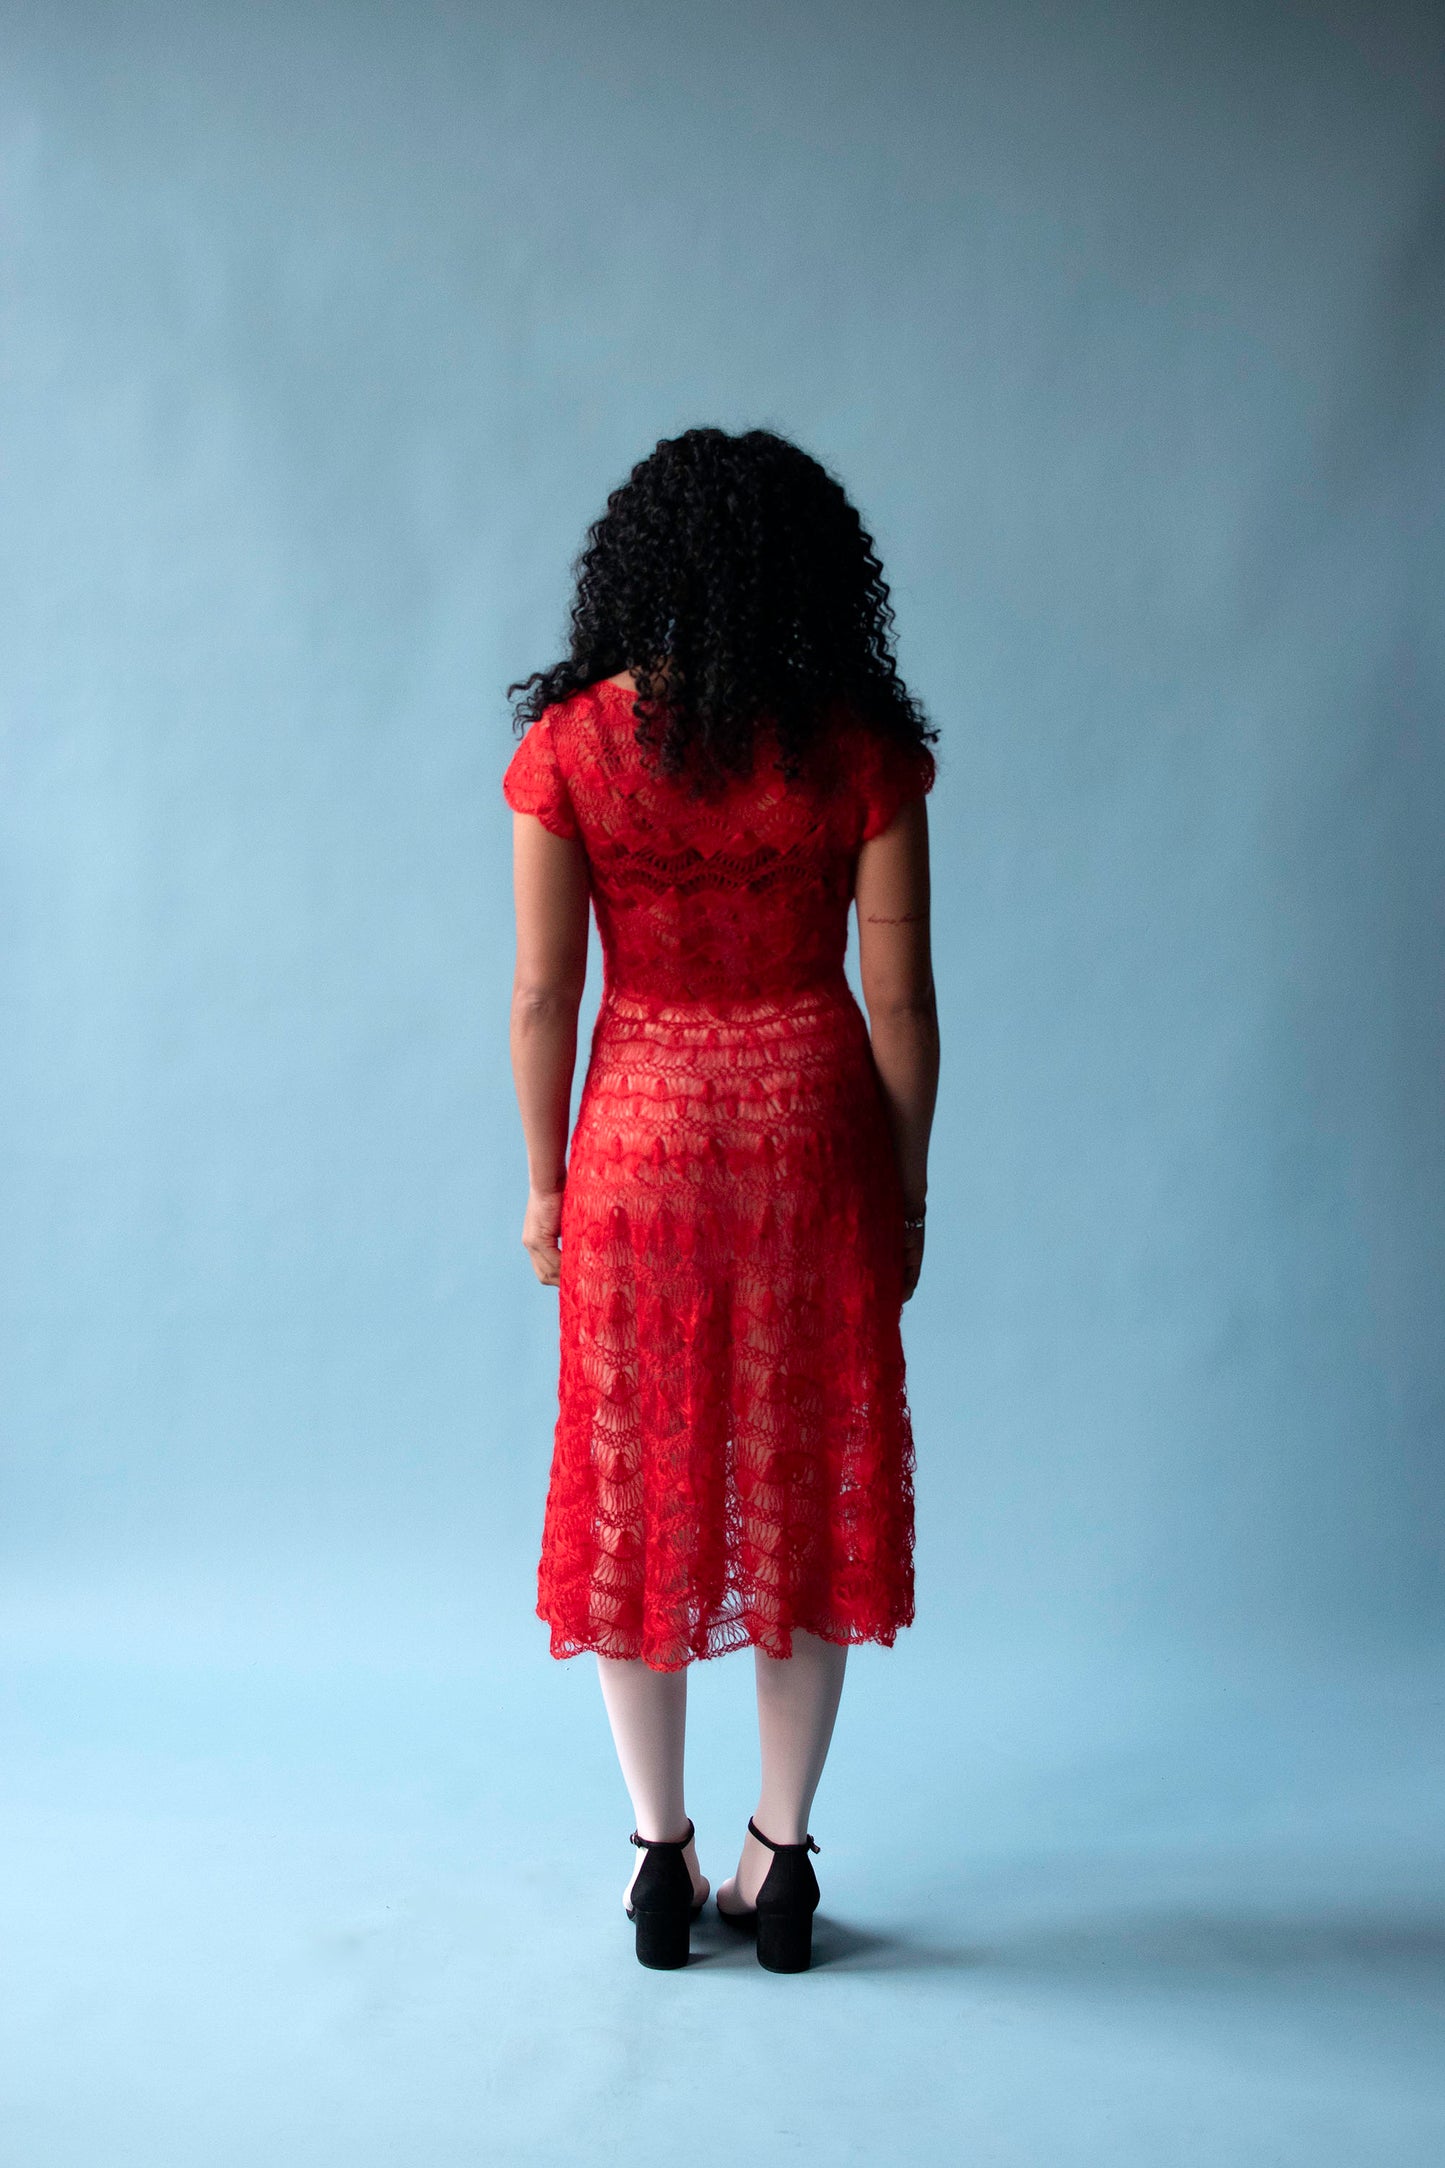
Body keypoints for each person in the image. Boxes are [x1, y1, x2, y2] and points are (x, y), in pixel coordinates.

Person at [503, 425, 939, 1972]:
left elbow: (546, 996)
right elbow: (901, 1000)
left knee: (639, 1490)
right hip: (811, 1136)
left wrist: (548, 1187)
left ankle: (654, 1854)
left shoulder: (571, 748)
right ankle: (781, 1852)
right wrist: (905, 1190)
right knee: (805, 1487)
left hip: (638, 1137)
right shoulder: (858, 749)